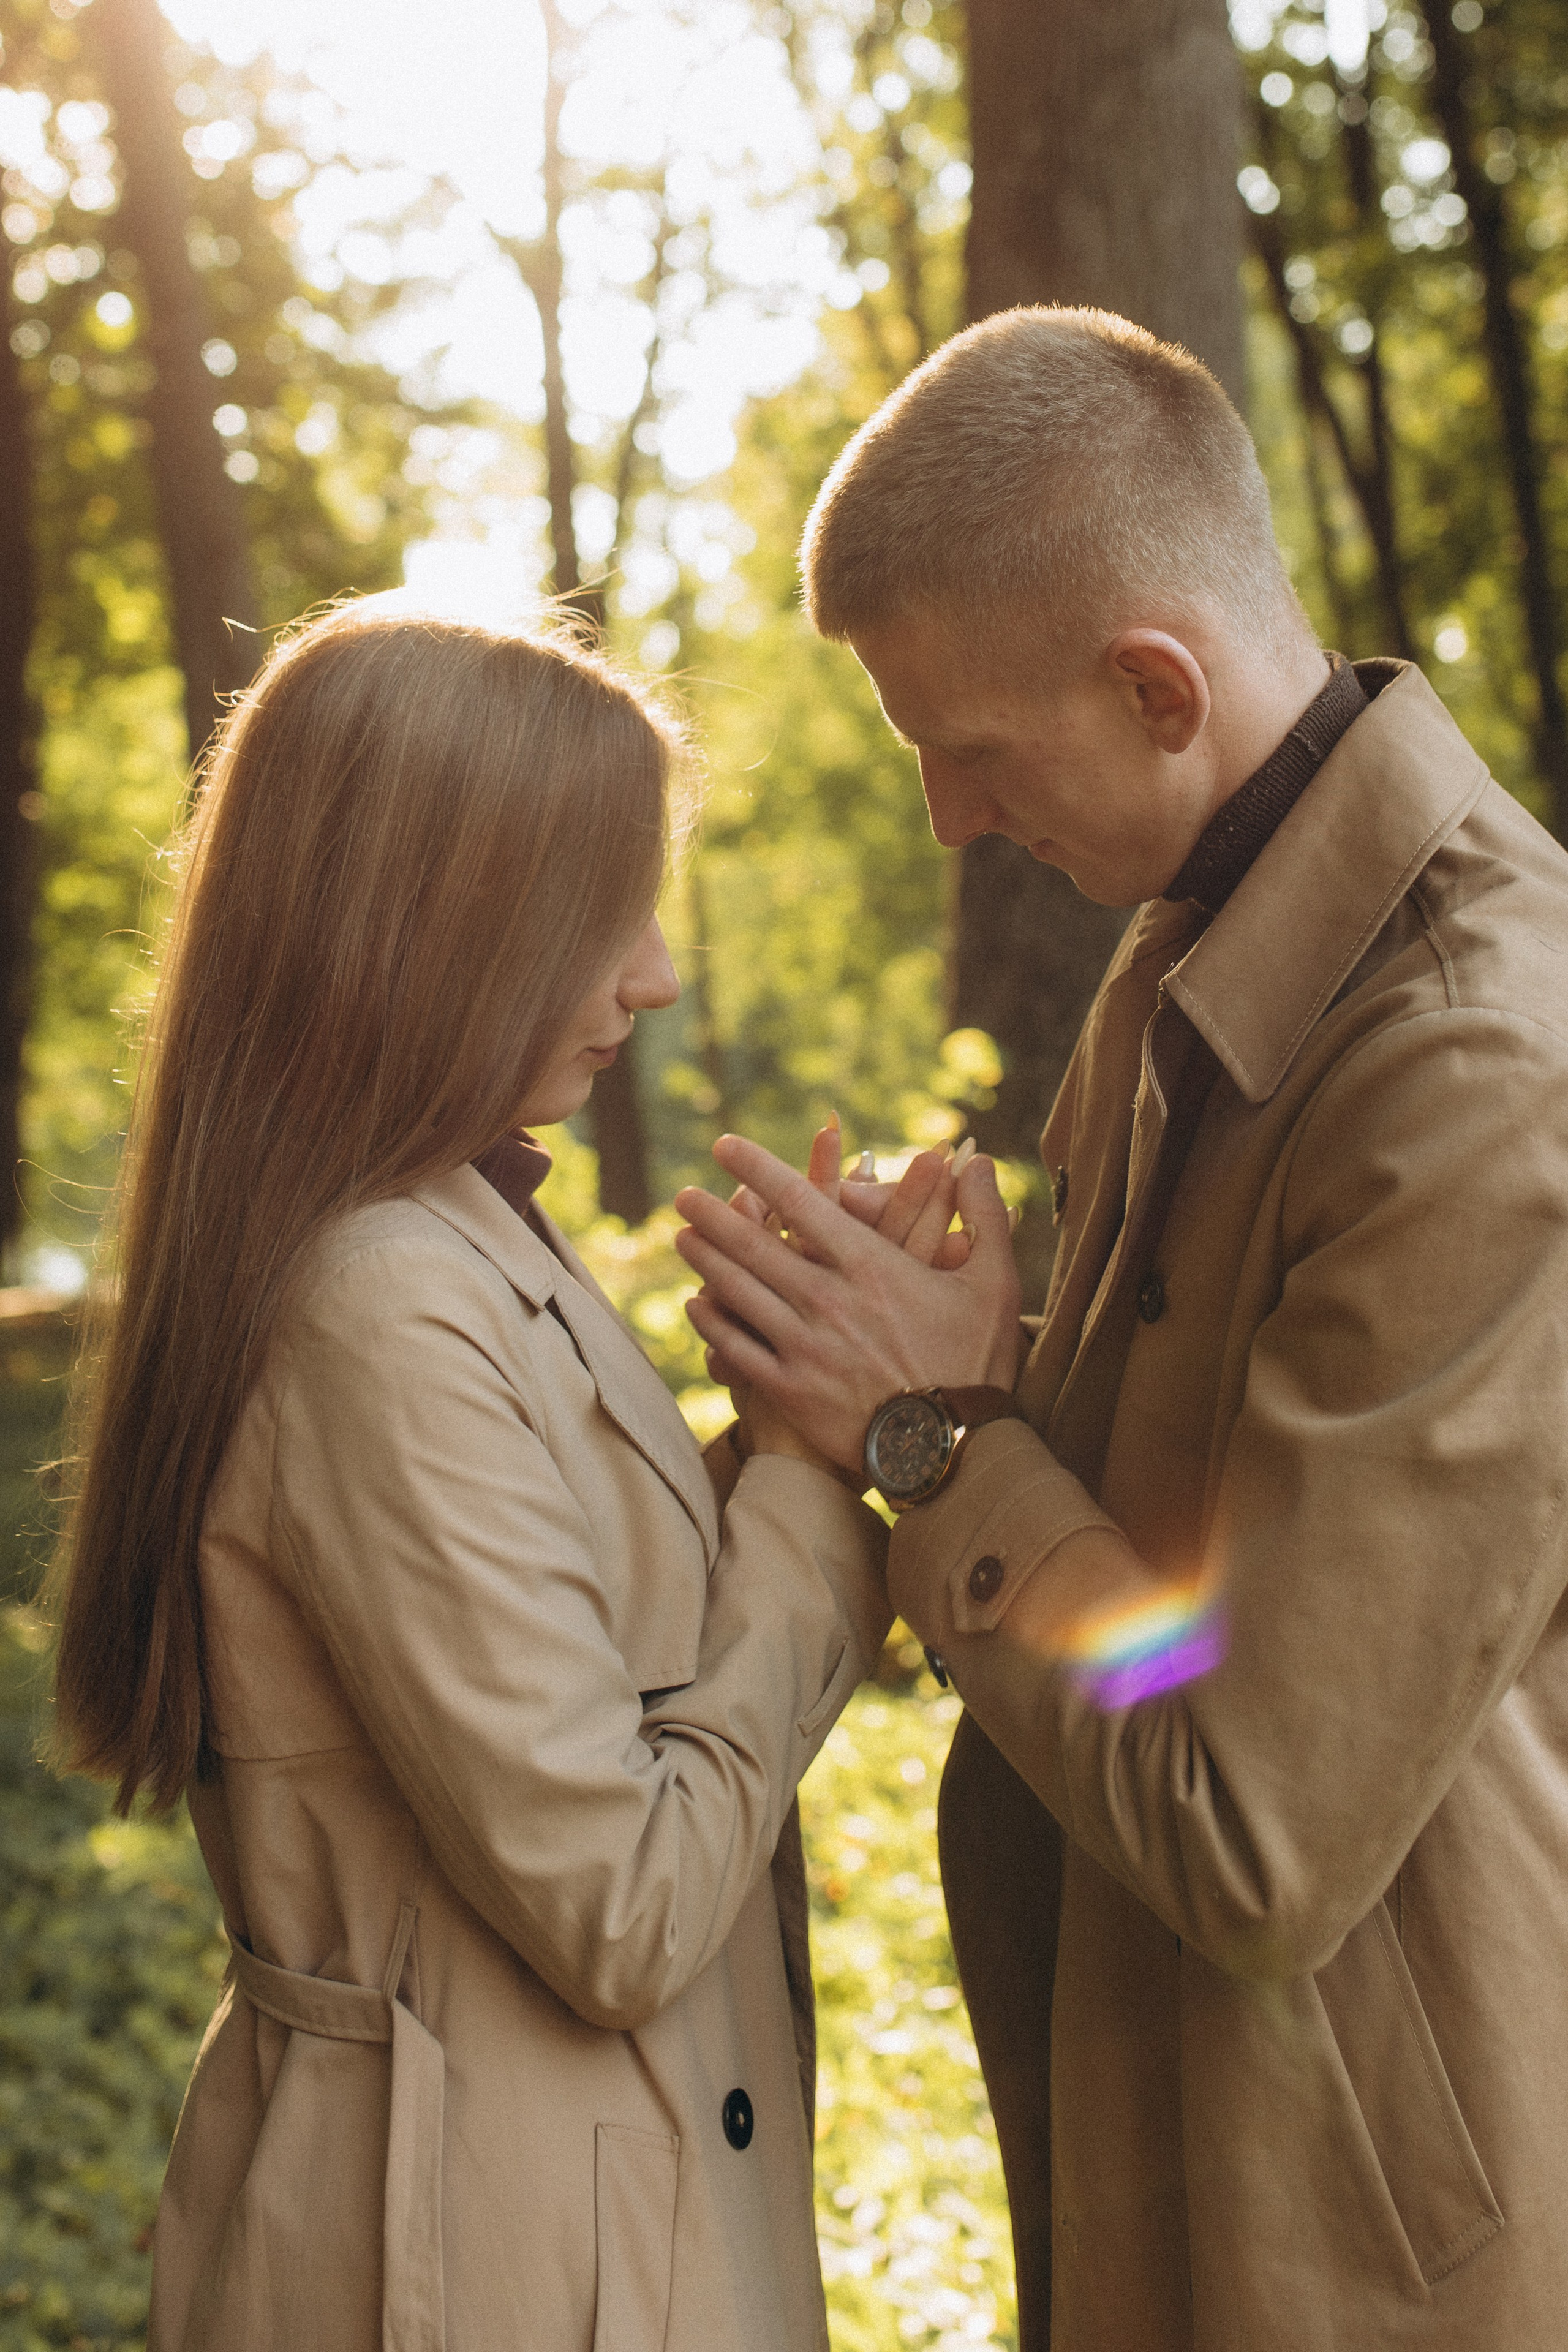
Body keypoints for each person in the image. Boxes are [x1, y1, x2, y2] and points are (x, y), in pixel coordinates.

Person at [674, 307, 1568, 2349]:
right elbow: (1150, 1552)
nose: (949, 824)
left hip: (1360, 2238)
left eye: (968, 753)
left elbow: (1253, 1818)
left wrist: (929, 1436)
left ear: (1157, 686)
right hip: (1165, 2130)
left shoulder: (1479, 1071)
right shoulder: (1202, 941)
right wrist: (970, 1367)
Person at [48, 600, 895, 2352]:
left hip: (565, 2226)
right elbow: (623, 1901)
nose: (654, 977)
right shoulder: (378, 1300)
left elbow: (593, 1640)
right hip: (494, 2274)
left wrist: (820, 1384)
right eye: (609, 916)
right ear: (435, 930)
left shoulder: (442, 1231)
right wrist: (819, 1478)